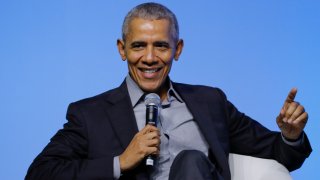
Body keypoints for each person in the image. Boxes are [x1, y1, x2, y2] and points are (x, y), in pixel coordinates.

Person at [26, 2, 312, 180]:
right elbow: (39, 174)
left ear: (178, 49)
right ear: (122, 50)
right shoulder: (90, 114)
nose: (149, 58)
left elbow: (279, 154)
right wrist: (120, 163)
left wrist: (290, 136)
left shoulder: (210, 101)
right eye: (139, 46)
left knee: (190, 161)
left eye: (161, 46)